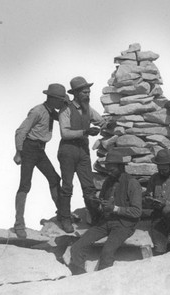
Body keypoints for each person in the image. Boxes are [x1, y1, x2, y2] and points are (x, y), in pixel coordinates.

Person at [68, 150, 142, 275]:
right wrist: (97, 203)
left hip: (124, 224)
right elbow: (103, 202)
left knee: (107, 252)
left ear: (120, 167)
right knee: (77, 247)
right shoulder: (109, 181)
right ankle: (79, 279)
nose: (110, 173)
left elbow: (137, 212)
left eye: (112, 170)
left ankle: (103, 283)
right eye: (108, 170)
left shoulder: (132, 183)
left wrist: (115, 208)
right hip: (106, 221)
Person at [12, 83, 68, 238]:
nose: (60, 103)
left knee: (54, 178)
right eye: (59, 100)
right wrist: (19, 152)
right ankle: (18, 224)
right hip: (29, 149)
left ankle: (63, 214)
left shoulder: (51, 111)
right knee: (25, 185)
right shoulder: (38, 111)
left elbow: (63, 116)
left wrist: (67, 104)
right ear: (51, 99)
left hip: (40, 150)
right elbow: (20, 131)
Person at [57, 76, 112, 233]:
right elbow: (65, 133)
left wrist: (109, 124)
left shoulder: (88, 108)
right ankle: (65, 219)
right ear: (76, 93)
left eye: (88, 92)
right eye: (84, 92)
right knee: (67, 186)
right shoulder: (66, 109)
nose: (87, 95)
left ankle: (95, 218)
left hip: (83, 151)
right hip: (68, 151)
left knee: (88, 186)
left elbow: (100, 121)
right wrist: (85, 131)